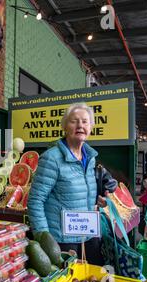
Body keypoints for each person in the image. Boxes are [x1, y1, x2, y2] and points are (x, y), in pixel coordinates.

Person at [27, 102, 105, 265]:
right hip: (61, 242)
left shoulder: (90, 158)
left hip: (87, 235)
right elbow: (35, 200)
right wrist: (44, 239)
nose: (80, 125)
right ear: (65, 127)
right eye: (74, 121)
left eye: (85, 121)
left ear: (91, 127)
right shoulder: (52, 158)